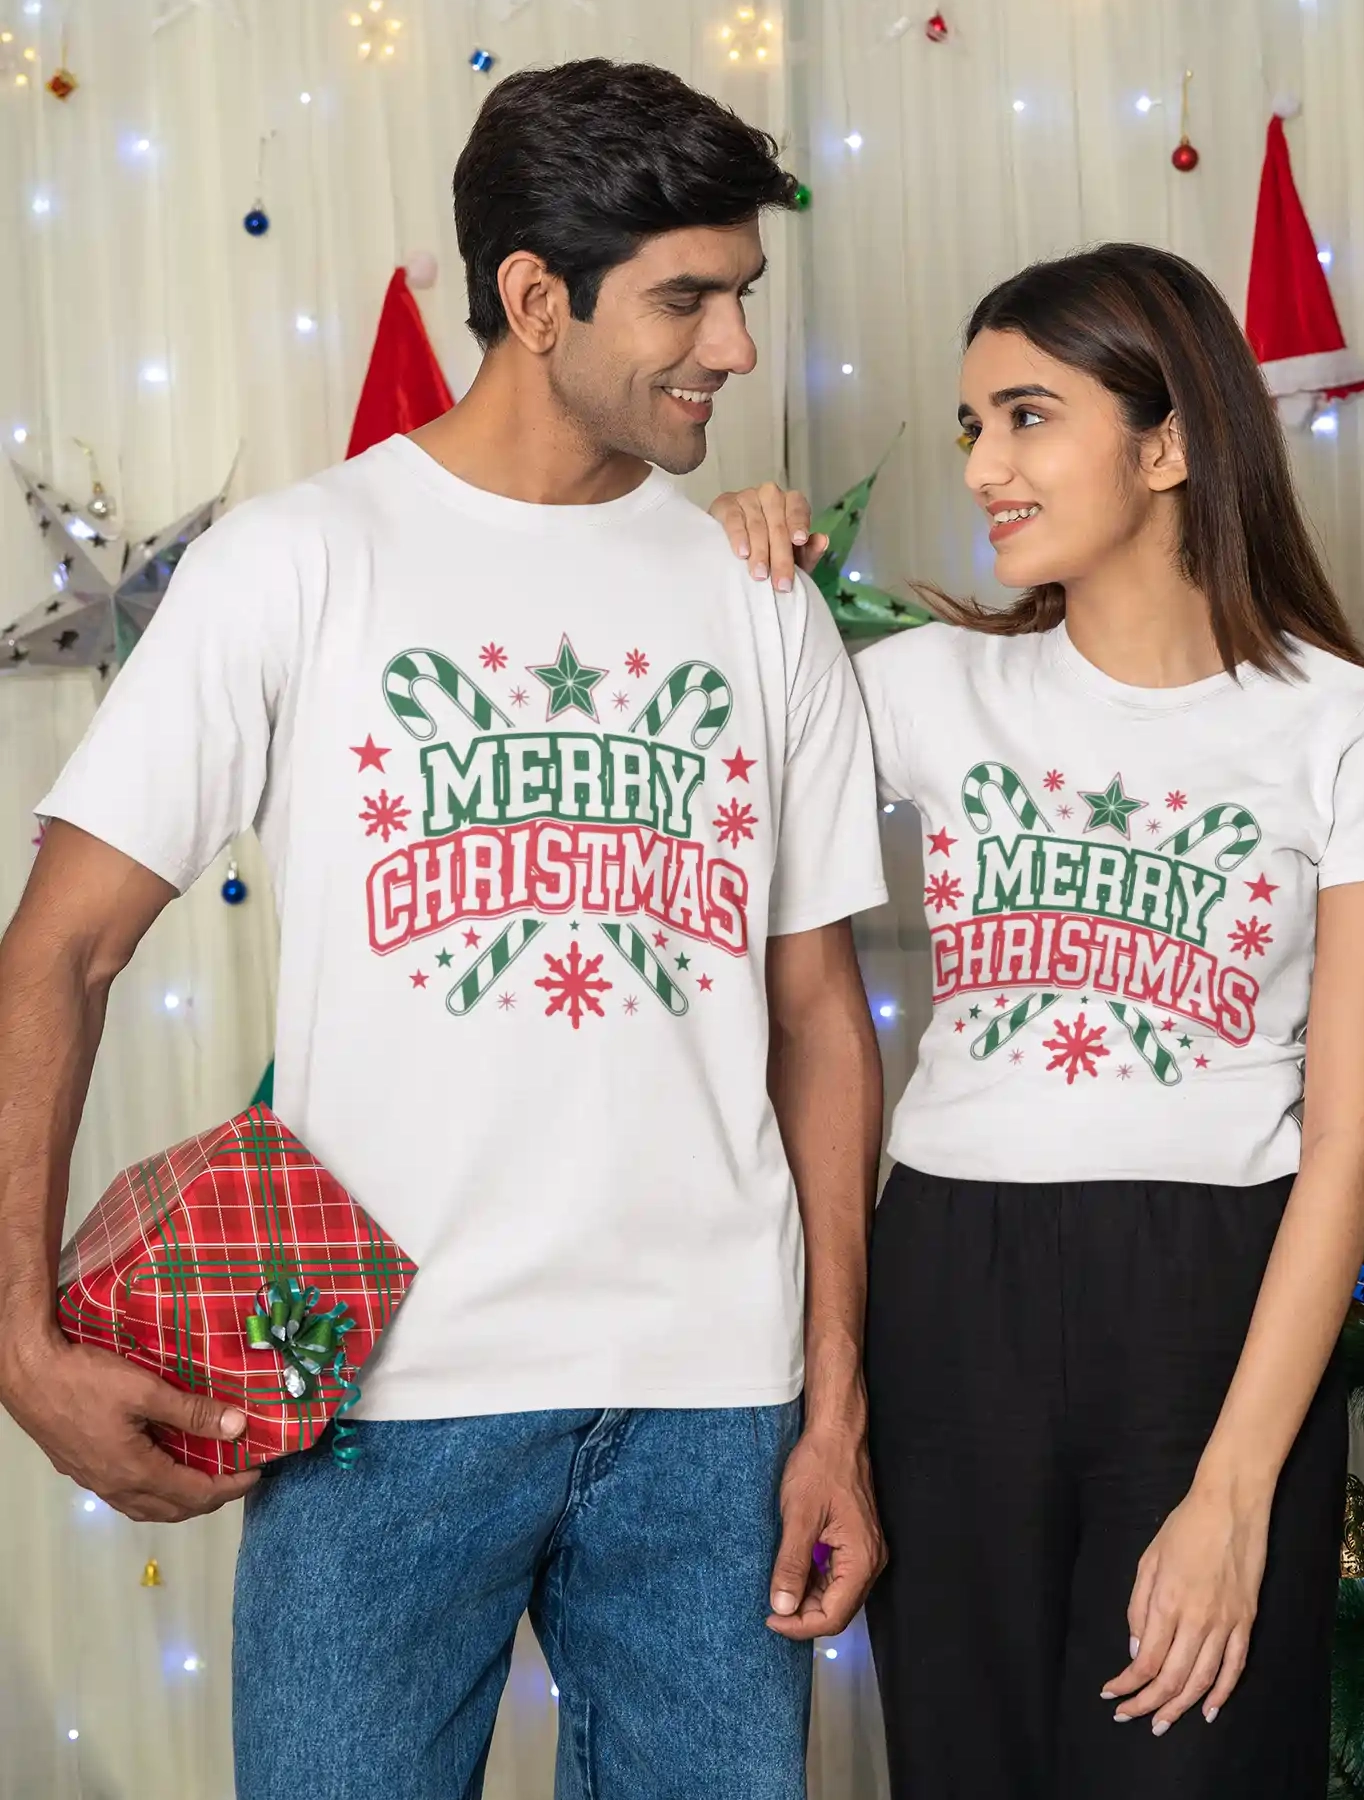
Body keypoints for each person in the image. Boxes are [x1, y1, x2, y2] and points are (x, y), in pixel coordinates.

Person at [0, 60, 890, 1800]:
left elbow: (817, 1018)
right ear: (536, 298)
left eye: (743, 295)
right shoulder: (293, 565)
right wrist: (20, 1338)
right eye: (686, 300)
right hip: (373, 1401)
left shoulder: (758, 597)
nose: (735, 348)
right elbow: (60, 950)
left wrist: (834, 1401)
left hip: (718, 1410)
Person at [710, 242, 1364, 1798]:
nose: (984, 465)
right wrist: (723, 554)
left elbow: (1348, 1140)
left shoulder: (1348, 728)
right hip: (949, 1284)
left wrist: (1235, 1490)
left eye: (1028, 417)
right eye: (972, 425)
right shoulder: (921, 688)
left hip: (1215, 1304)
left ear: (1168, 443)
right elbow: (700, 718)